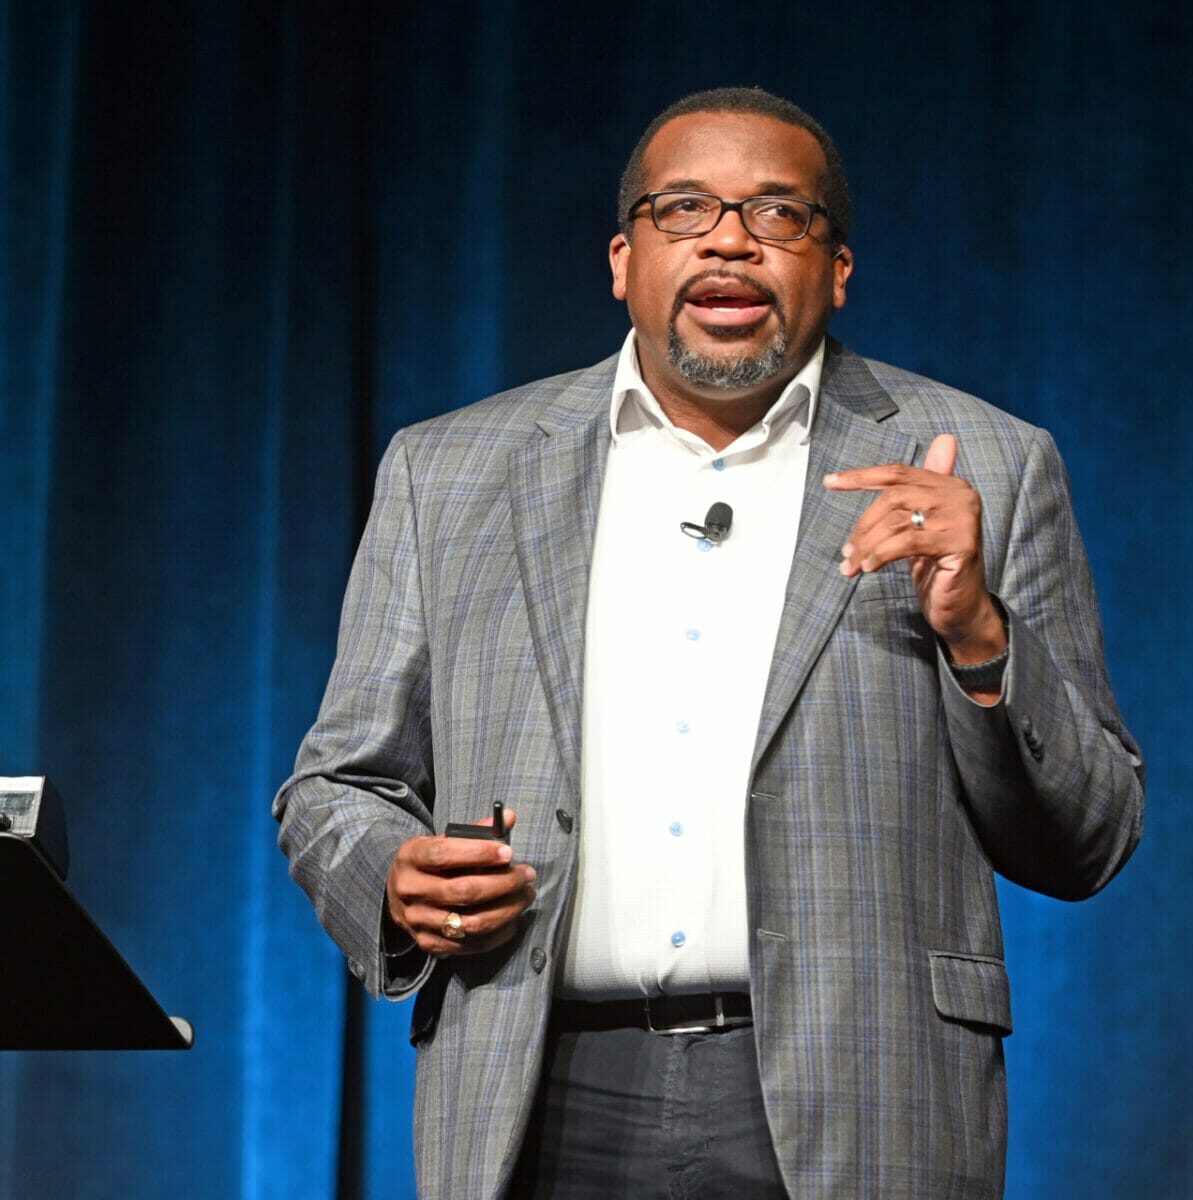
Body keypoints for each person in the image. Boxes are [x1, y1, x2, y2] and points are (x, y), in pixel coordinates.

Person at [275, 87, 1143, 1199]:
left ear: (836, 270)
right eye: (685, 209)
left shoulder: (984, 464)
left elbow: (1091, 836)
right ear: (622, 260)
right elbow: (334, 783)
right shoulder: (449, 472)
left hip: (862, 1094)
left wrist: (978, 631)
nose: (730, 239)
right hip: (540, 1084)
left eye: (779, 214)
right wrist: (390, 878)